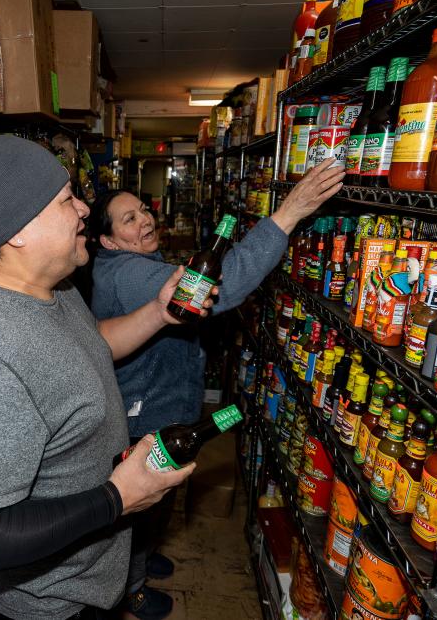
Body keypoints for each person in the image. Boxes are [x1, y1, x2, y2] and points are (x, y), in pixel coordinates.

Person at [0, 135, 216, 620]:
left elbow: (89, 344)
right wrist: (118, 497)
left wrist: (160, 314)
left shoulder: (49, 286)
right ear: (18, 229)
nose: (83, 209)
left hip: (97, 573)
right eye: (65, 200)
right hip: (56, 604)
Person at [88, 159, 345, 618]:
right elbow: (217, 293)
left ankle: (141, 561)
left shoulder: (141, 262)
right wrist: (286, 214)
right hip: (143, 412)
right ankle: (131, 587)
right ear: (108, 241)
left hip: (163, 403)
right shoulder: (127, 273)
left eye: (143, 211)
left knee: (158, 499)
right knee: (139, 504)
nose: (145, 219)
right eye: (129, 219)